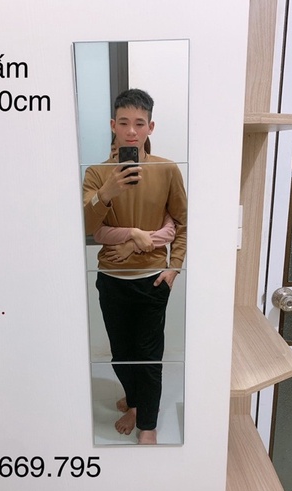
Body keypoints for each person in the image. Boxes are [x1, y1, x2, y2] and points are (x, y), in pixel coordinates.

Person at [83, 88, 187, 445]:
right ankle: (135, 402)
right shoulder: (96, 173)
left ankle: (147, 424)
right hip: (111, 279)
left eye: (139, 124)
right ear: (113, 125)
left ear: (150, 127)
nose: (131, 131)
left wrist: (174, 267)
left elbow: (183, 222)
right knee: (120, 356)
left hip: (153, 279)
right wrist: (107, 192)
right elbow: (87, 226)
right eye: (124, 123)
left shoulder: (167, 169)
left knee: (148, 357)